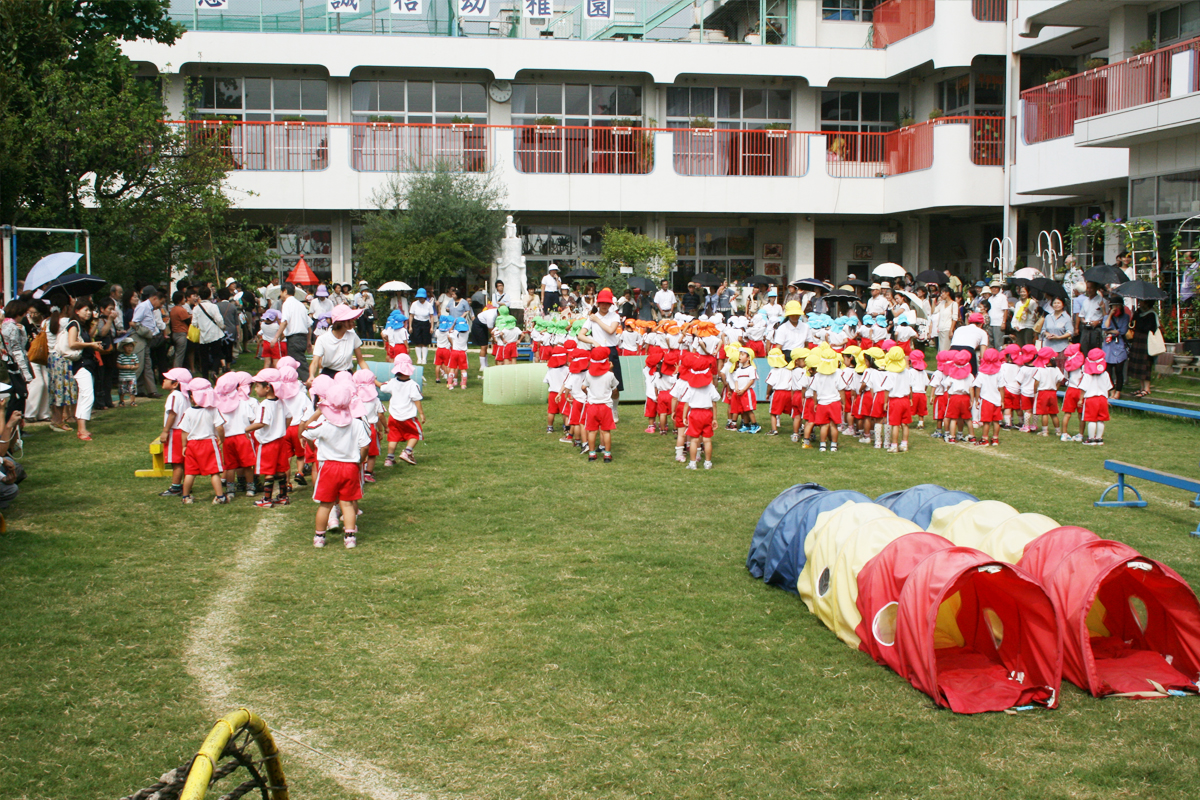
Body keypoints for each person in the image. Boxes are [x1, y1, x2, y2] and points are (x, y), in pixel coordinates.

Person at [301, 375, 370, 549]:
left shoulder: (323, 424)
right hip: (350, 467)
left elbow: (306, 431)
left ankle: (319, 537)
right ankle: (350, 537)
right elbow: (365, 445)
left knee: (325, 504)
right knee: (347, 504)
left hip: (328, 467)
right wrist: (360, 460)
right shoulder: (357, 424)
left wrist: (315, 442)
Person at [245, 368, 292, 507]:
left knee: (268, 471)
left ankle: (266, 499)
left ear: (267, 388)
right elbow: (289, 417)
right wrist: (281, 428)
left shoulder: (265, 404)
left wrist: (246, 428)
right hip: (280, 441)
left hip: (268, 444)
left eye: (257, 386)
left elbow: (262, 422)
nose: (255, 389)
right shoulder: (281, 402)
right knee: (280, 469)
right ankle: (283, 496)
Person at [177, 378, 227, 505]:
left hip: (192, 444)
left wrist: (184, 446)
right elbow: (220, 427)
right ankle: (220, 496)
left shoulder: (188, 412)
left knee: (190, 472)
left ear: (192, 397)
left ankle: (185, 496)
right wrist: (222, 438)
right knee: (214, 472)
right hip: (209, 443)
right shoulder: (213, 410)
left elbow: (184, 431)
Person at [62, 299, 103, 442]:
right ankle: (82, 429)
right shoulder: (73, 324)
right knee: (87, 395)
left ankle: (82, 428)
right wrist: (91, 344)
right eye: (85, 309)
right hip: (81, 364)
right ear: (77, 310)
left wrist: (95, 322)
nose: (88, 312)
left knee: (85, 395)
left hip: (86, 363)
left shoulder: (82, 325)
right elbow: (72, 343)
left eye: (89, 310)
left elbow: (89, 337)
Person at [214, 372, 258, 500]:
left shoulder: (218, 406)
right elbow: (252, 419)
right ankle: (250, 488)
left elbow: (217, 424)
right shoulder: (243, 403)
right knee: (247, 465)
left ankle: (230, 489)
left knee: (230, 466)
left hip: (227, 438)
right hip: (243, 437)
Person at [380, 353, 425, 466]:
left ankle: (389, 459)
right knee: (415, 434)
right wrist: (421, 413)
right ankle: (407, 452)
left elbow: (382, 387)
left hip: (393, 417)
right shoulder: (413, 385)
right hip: (408, 417)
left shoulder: (392, 382)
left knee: (393, 437)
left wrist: (372, 381)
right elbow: (416, 400)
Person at [158, 367, 193, 498]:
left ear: (175, 384)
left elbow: (172, 414)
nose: (163, 381)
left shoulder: (173, 396)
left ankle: (176, 487)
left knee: (176, 461)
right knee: (183, 461)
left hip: (176, 432)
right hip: (184, 431)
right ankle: (186, 485)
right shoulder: (185, 397)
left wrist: (165, 431)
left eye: (167, 379)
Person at [583, 347, 620, 463]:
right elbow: (615, 390)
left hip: (592, 405)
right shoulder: (610, 375)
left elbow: (583, 387)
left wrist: (589, 394)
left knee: (592, 431)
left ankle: (592, 454)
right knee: (606, 431)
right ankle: (607, 454)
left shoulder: (588, 374)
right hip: (605, 406)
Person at [310, 305, 367, 379]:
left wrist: (369, 375)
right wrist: (311, 375)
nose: (353, 322)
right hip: (329, 375)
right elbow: (315, 362)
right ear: (341, 322)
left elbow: (361, 361)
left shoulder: (353, 336)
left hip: (347, 375)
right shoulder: (322, 339)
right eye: (350, 319)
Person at [130, 285, 165, 397]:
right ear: (155, 298)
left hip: (146, 339)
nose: (161, 306)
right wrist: (145, 331)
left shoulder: (150, 308)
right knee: (138, 365)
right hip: (139, 338)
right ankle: (131, 390)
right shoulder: (143, 307)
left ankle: (150, 390)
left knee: (147, 365)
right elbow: (134, 323)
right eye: (160, 303)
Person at [2, 300, 32, 418]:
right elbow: (17, 349)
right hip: (15, 365)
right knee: (19, 396)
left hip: (9, 364)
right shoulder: (12, 327)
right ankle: (16, 427)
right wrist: (25, 372)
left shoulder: (4, 325)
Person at [277, 283, 312, 381]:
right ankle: (296, 381)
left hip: (294, 338)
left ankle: (309, 382)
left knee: (299, 363)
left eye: (281, 291)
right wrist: (308, 341)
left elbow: (284, 322)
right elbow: (309, 325)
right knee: (296, 362)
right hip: (302, 337)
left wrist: (276, 337)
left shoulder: (287, 303)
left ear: (285, 291)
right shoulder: (301, 305)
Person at [192, 286, 226, 380]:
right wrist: (222, 326)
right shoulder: (213, 306)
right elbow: (219, 319)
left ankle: (205, 377)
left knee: (204, 358)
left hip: (203, 336)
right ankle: (214, 371)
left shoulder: (196, 308)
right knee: (216, 355)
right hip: (215, 334)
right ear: (209, 295)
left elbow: (194, 323)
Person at [1127, 299, 1159, 398]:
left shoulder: (1151, 315)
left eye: (1142, 302)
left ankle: (1147, 388)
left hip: (1146, 342)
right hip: (1138, 340)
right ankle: (1142, 387)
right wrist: (1136, 314)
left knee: (1145, 364)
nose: (1140, 304)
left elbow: (1150, 328)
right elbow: (1133, 323)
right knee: (1139, 365)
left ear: (1147, 303)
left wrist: (1140, 323)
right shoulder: (1139, 313)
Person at [1080, 348, 1112, 445]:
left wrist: (1081, 399)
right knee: (1100, 419)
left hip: (1091, 398)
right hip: (1102, 398)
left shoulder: (1087, 375)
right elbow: (1108, 388)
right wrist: (1107, 398)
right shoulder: (1105, 374)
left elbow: (1083, 388)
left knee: (1091, 419)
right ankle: (1099, 438)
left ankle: (1090, 438)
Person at [1101, 298, 1129, 399]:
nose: (1116, 308)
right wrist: (1110, 315)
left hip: (1119, 345)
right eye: (1114, 306)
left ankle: (1118, 391)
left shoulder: (1125, 317)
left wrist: (1110, 332)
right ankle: (1111, 389)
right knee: (1108, 371)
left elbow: (1121, 331)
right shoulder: (1107, 316)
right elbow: (1105, 327)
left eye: (1118, 306)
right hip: (1108, 347)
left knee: (1119, 370)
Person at [1074, 281, 1106, 356]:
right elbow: (1081, 315)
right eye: (1087, 288)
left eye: (1091, 288)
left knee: (1095, 352)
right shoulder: (1085, 301)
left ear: (1096, 288)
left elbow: (1106, 317)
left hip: (1096, 330)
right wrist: (1083, 321)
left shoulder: (1102, 301)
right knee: (1084, 351)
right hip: (1086, 329)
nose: (1089, 290)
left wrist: (1098, 322)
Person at [408, 288, 434, 365]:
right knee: (417, 341)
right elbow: (411, 315)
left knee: (425, 342)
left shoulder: (428, 305)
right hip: (416, 323)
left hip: (426, 323)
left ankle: (424, 359)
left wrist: (431, 327)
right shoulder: (414, 304)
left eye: (422, 297)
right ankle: (419, 359)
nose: (420, 298)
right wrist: (410, 326)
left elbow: (431, 316)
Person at [169, 291, 193, 370]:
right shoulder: (181, 310)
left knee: (178, 353)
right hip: (181, 333)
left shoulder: (173, 309)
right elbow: (188, 321)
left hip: (175, 333)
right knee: (180, 355)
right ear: (180, 299)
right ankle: (176, 371)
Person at [447, 316, 470, 390]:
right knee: (463, 369)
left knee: (452, 368)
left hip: (454, 352)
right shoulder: (467, 332)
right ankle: (463, 384)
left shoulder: (454, 332)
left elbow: (449, 332)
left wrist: (453, 324)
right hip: (463, 353)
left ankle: (450, 384)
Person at [985, 280, 1009, 350]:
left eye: (996, 287)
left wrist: (1003, 322)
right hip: (990, 323)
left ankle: (1000, 358)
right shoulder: (990, 298)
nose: (994, 289)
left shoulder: (1002, 297)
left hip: (998, 323)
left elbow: (1005, 310)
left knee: (998, 343)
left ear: (999, 288)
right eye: (992, 288)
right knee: (990, 342)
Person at [116, 338, 139, 407]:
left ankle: (132, 401)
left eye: (131, 346)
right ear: (124, 347)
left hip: (132, 376)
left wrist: (133, 367)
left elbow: (137, 365)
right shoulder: (121, 356)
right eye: (127, 346)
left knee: (132, 390)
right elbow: (118, 365)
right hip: (123, 376)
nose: (129, 348)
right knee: (122, 389)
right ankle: (121, 401)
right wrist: (125, 367)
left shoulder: (134, 356)